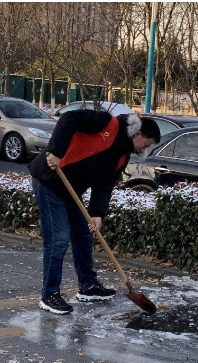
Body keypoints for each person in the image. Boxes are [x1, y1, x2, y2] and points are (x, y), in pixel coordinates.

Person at [28, 110, 161, 315]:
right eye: (147, 143)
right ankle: (49, 295)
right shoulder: (106, 124)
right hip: (49, 180)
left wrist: (97, 213)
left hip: (71, 190)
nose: (146, 148)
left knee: (83, 234)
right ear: (138, 134)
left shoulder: (122, 157)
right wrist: (56, 151)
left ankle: (88, 286)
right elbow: (68, 119)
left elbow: (105, 184)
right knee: (59, 238)